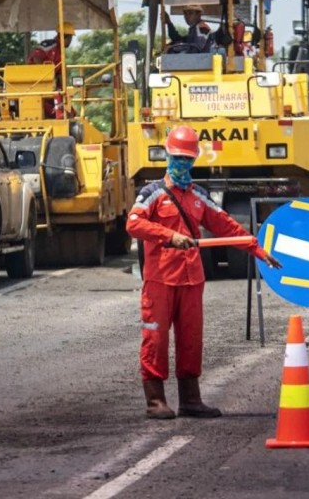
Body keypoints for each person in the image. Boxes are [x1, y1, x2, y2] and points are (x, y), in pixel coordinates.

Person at [126, 126, 282, 420]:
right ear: (168, 156)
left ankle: (191, 399)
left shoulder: (199, 195)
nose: (182, 164)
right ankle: (155, 401)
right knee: (155, 339)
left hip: (192, 280)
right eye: (178, 158)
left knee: (191, 338)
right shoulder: (151, 194)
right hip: (160, 280)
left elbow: (227, 227)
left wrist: (258, 250)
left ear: (195, 160)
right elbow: (133, 224)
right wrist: (168, 236)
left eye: (188, 159)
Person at [27, 22, 75, 118]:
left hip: (49, 84)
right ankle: (59, 115)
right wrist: (45, 75)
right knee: (56, 94)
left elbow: (60, 73)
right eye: (70, 38)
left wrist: (64, 87)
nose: (70, 41)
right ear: (65, 37)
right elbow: (36, 58)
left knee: (71, 111)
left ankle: (64, 114)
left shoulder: (60, 52)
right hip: (35, 82)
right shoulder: (48, 45)